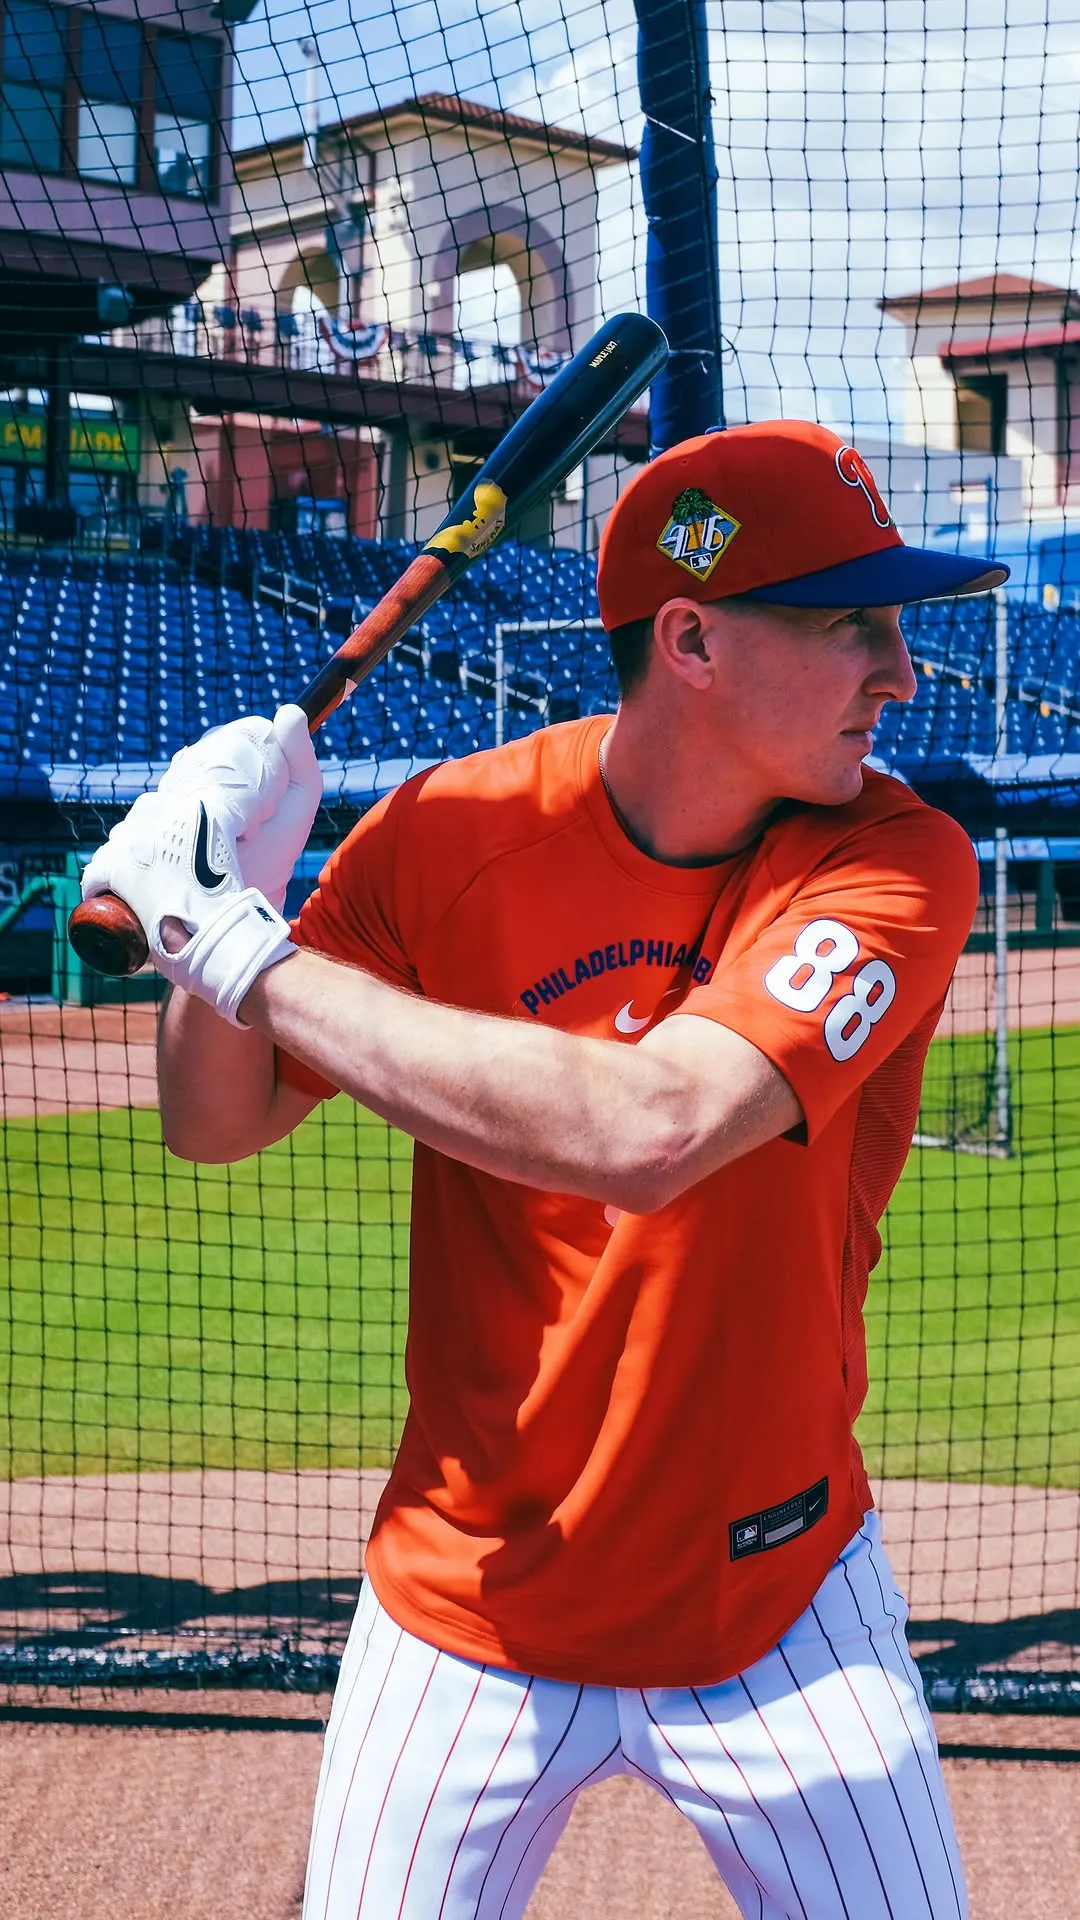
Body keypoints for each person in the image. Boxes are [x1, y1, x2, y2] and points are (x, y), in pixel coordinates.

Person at [83, 421, 1008, 1920]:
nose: (898, 673)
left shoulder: (894, 859)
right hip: (469, 1598)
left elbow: (653, 1132)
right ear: (692, 640)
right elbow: (215, 1119)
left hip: (778, 1597)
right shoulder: (449, 833)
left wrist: (244, 952)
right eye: (852, 625)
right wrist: (239, 889)